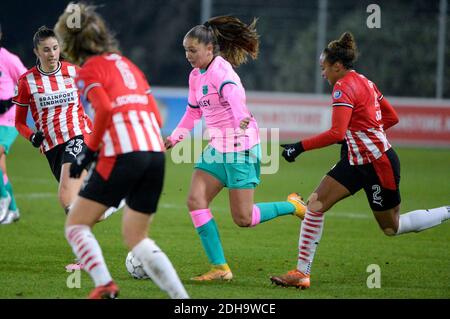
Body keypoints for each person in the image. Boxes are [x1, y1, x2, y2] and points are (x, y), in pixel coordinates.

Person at [270, 32, 450, 289]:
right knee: (314, 206)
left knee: (391, 227)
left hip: (379, 164)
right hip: (354, 161)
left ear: (337, 66)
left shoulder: (342, 87)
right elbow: (391, 117)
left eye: (324, 69)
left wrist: (298, 147)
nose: (323, 74)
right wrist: (362, 137)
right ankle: (302, 273)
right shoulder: (366, 81)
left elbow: (336, 133)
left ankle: (448, 211)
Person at [54, 2, 189, 299]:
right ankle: (184, 301)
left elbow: (103, 109)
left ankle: (104, 284)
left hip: (125, 153)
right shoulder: (129, 65)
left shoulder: (88, 70)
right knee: (137, 238)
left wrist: (87, 154)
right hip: (154, 153)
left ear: (70, 42)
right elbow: (155, 112)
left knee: (76, 224)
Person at [164, 16, 306, 281]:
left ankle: (293, 205)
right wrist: (175, 138)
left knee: (244, 218)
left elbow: (234, 96)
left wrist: (241, 116)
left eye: (192, 50)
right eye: (185, 50)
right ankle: (220, 268)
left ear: (210, 49)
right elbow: (193, 113)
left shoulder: (222, 71)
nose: (188, 56)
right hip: (218, 148)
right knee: (195, 200)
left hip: (241, 146)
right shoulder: (196, 76)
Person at [0, 22, 27, 224]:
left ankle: (3, 198)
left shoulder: (8, 59)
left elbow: (26, 81)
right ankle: (14, 210)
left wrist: (9, 102)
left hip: (8, 120)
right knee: (2, 169)